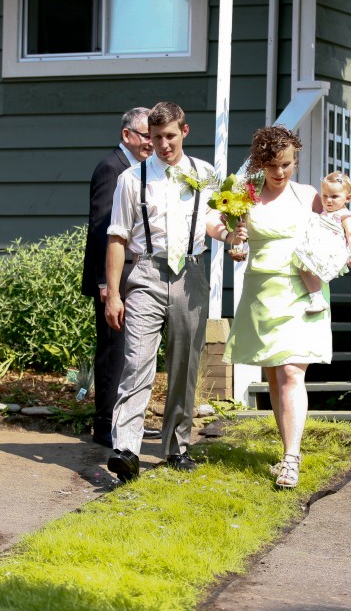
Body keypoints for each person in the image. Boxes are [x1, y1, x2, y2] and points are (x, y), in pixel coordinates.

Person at [103, 101, 227, 481]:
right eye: (156, 137)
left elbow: (212, 221)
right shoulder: (132, 178)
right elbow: (117, 237)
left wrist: (230, 233)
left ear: (184, 132)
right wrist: (113, 292)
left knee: (183, 365)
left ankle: (177, 447)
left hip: (191, 274)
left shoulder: (205, 174)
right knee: (137, 361)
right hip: (146, 273)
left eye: (170, 136)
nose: (163, 144)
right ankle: (126, 448)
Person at [223, 125, 332, 489]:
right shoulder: (245, 196)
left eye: (286, 164)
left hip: (303, 291)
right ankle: (287, 447)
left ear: (295, 159)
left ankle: (291, 458)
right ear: (260, 164)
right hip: (261, 292)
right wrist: (234, 243)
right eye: (272, 165)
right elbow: (226, 230)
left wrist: (345, 250)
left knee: (291, 373)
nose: (280, 172)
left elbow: (334, 227)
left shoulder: (309, 196)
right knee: (273, 375)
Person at [80, 107, 160, 448]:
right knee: (113, 350)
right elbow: (101, 229)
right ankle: (105, 425)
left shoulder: (143, 169)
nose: (151, 144)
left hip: (135, 274)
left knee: (132, 351)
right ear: (127, 135)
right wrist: (104, 284)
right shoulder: (112, 168)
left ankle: (125, 422)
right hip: (114, 276)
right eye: (146, 136)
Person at [293, 171, 351, 314]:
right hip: (318, 245)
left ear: (347, 198)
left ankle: (317, 297)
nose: (328, 200)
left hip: (330, 249)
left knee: (306, 263)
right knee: (303, 265)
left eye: (334, 196)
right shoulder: (323, 212)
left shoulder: (344, 215)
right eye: (325, 196)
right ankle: (317, 298)